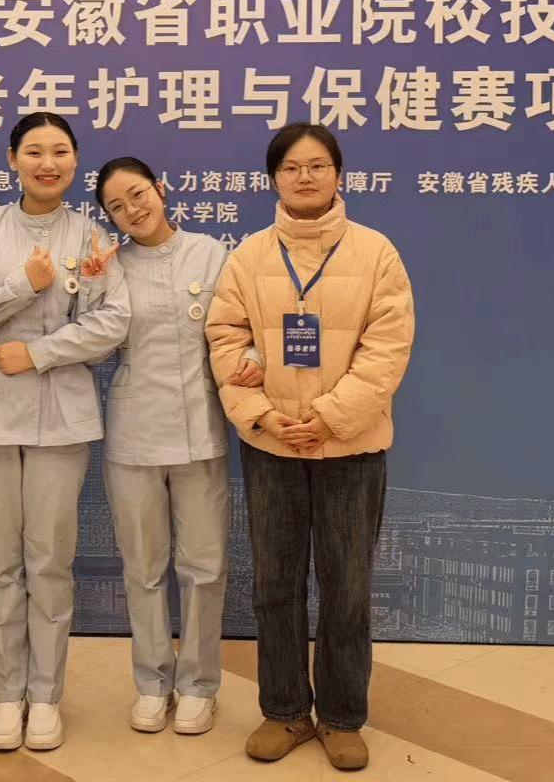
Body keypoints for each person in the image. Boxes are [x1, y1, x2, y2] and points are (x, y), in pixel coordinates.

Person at [206, 122, 415, 772]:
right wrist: (264, 417)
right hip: (272, 448)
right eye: (292, 167)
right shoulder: (248, 257)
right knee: (275, 585)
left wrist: (327, 418)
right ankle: (285, 710)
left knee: (347, 588)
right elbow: (224, 338)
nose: (305, 177)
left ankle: (343, 717)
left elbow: (386, 351)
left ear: (338, 174)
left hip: (352, 450)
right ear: (274, 178)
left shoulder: (377, 253)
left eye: (317, 165)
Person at [0, 112, 130, 752]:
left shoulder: (93, 237)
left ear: (75, 161)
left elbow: (112, 323)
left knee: (50, 562)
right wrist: (24, 285)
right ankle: (6, 695)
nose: (47, 163)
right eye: (34, 151)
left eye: (59, 152)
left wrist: (40, 352)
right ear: (12, 159)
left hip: (61, 419)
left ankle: (45, 696)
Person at [95, 157, 230, 736]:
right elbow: (96, 341)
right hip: (133, 432)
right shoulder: (110, 267)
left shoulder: (212, 254)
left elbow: (237, 330)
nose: (132, 210)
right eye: (116, 207)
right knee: (143, 566)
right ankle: (151, 682)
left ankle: (198, 685)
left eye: (137, 194)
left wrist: (250, 362)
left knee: (204, 566)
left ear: (161, 189)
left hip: (201, 429)